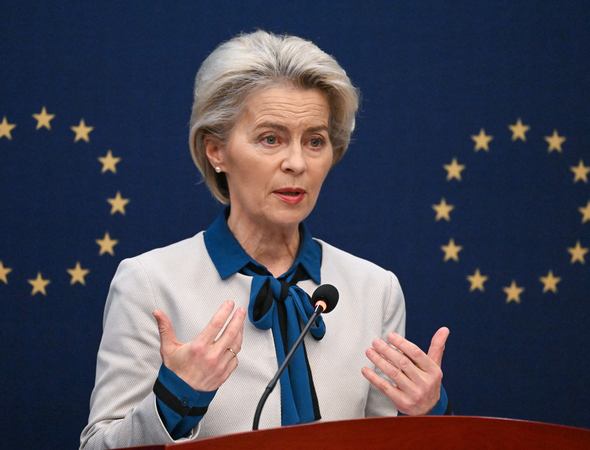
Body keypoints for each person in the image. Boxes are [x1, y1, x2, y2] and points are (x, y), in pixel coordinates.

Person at [80, 30, 450, 449]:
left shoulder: (374, 289)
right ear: (215, 150)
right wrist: (175, 400)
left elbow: (386, 442)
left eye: (315, 141)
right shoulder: (150, 282)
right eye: (270, 138)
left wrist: (428, 416)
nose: (296, 163)